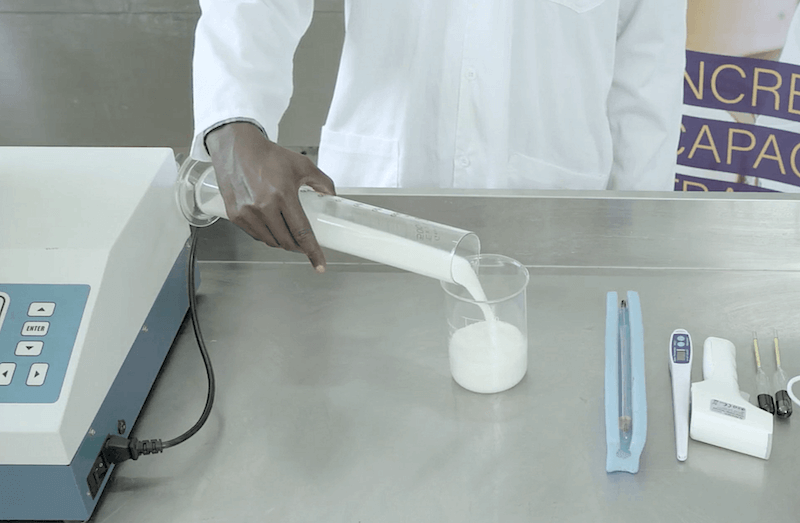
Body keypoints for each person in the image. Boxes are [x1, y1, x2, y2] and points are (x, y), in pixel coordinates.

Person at [190, 1, 687, 271]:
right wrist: (234, 117)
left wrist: (638, 236)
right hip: (373, 214)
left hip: (560, 228)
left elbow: (648, 75)